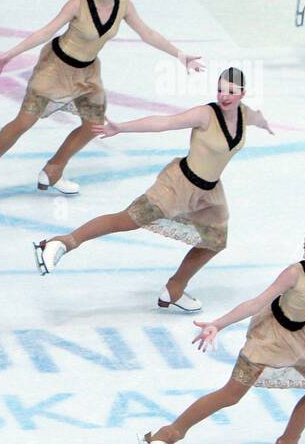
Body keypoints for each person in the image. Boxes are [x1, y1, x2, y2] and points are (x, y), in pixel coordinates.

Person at [34, 68, 273, 312]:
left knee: (214, 241)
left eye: (231, 92)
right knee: (127, 220)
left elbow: (257, 117)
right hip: (178, 185)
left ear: (243, 93)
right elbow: (164, 123)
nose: (224, 96)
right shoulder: (205, 114)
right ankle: (62, 242)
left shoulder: (245, 115)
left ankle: (175, 288)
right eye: (220, 89)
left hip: (210, 194)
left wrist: (264, 124)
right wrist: (122, 128)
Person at [138, 226, 305, 444]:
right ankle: (164, 436)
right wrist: (218, 324)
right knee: (231, 394)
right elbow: (256, 303)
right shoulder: (294, 273)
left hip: (300, 335)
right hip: (269, 334)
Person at [0, 0, 203, 197]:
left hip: (87, 74)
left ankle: (53, 169)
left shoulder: (124, 6)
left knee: (94, 126)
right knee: (24, 122)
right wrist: (10, 54)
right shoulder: (78, 3)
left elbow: (148, 33)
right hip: (54, 69)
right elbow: (45, 31)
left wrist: (180, 55)